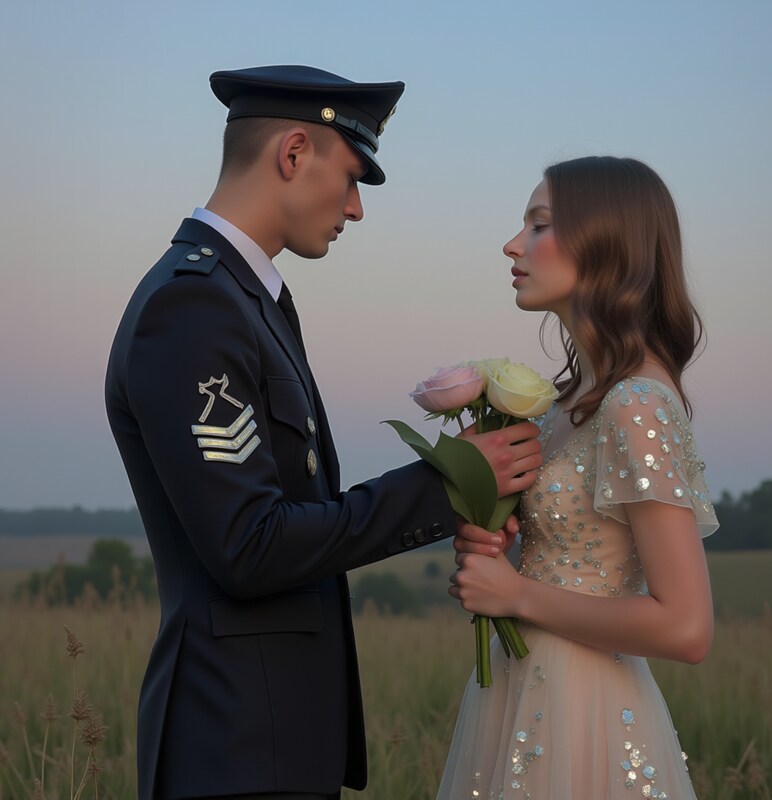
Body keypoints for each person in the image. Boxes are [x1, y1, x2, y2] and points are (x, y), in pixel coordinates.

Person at [104, 65, 543, 800]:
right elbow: (251, 545)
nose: (356, 208)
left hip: (267, 745)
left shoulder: (246, 300)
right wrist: (449, 483)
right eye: (351, 177)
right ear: (295, 152)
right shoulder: (193, 308)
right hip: (232, 751)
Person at [443, 156, 719, 799]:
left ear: (607, 244)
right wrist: (491, 536)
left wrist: (516, 596)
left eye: (539, 225)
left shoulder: (636, 404)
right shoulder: (571, 403)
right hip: (517, 691)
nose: (513, 245)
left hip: (587, 713)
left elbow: (687, 627)